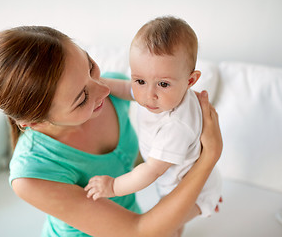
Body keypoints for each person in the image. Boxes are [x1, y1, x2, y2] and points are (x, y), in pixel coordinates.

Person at [0, 25, 223, 237]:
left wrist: (187, 184)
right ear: (34, 122)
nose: (102, 90)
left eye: (90, 67)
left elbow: (135, 158)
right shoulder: (32, 176)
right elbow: (138, 231)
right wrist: (210, 155)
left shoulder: (114, 91)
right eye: (81, 98)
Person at [85, 16, 222, 233]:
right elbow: (124, 88)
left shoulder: (176, 125)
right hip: (177, 181)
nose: (149, 95)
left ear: (190, 81)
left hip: (192, 191)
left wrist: (113, 186)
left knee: (164, 228)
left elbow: (151, 171)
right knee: (172, 227)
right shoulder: (157, 95)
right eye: (139, 81)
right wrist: (96, 85)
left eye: (163, 84)